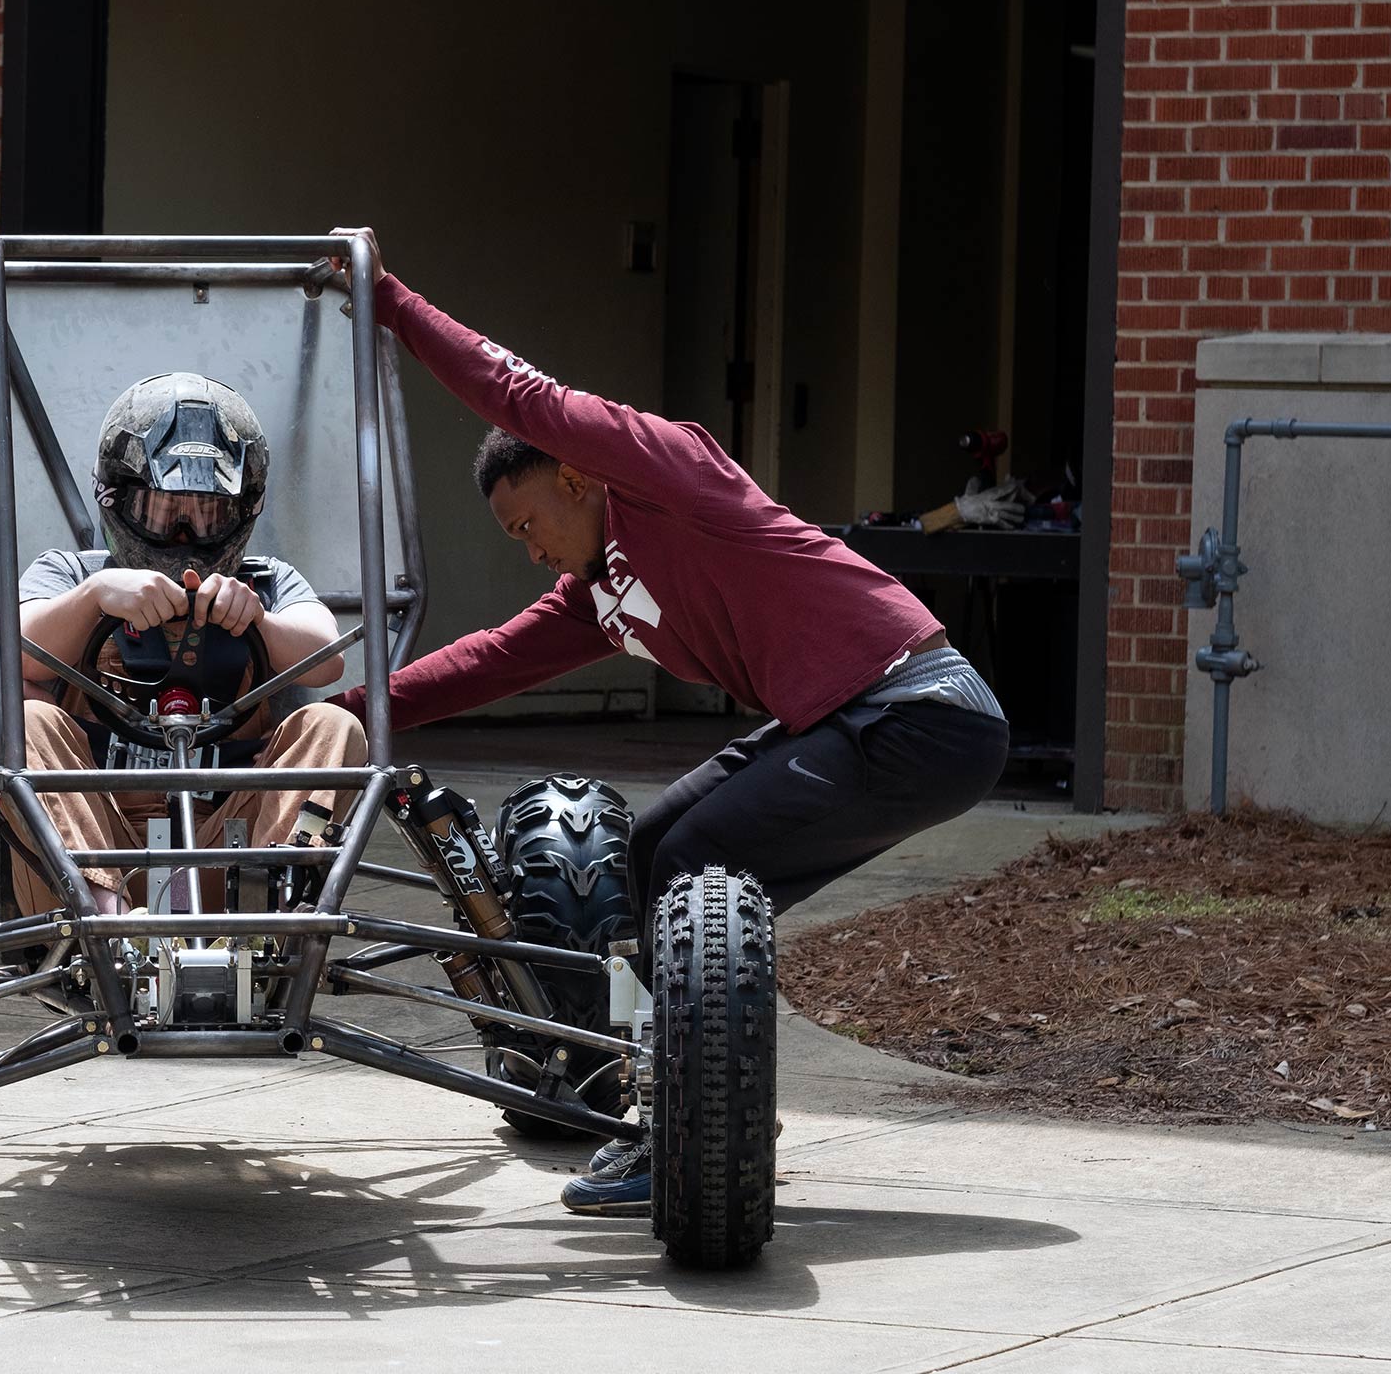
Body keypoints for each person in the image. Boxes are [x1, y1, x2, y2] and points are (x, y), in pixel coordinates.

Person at [324, 229, 1009, 1215]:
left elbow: (520, 395)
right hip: (856, 717)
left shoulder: (668, 476)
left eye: (527, 527)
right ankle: (687, 1110)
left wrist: (387, 300)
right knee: (648, 851)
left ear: (573, 477)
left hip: (918, 707)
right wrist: (332, 711)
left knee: (703, 865)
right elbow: (479, 664)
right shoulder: (599, 592)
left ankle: (700, 1129)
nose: (528, 552)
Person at [0, 371, 365, 915]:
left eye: (207, 513)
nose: (185, 535)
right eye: (164, 512)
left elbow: (326, 659)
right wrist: (97, 596)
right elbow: (14, 651)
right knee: (20, 718)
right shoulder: (72, 574)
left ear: (243, 510)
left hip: (233, 853)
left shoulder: (266, 581)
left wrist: (256, 618)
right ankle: (105, 922)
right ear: (117, 500)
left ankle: (274, 910)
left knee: (335, 727)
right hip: (91, 852)